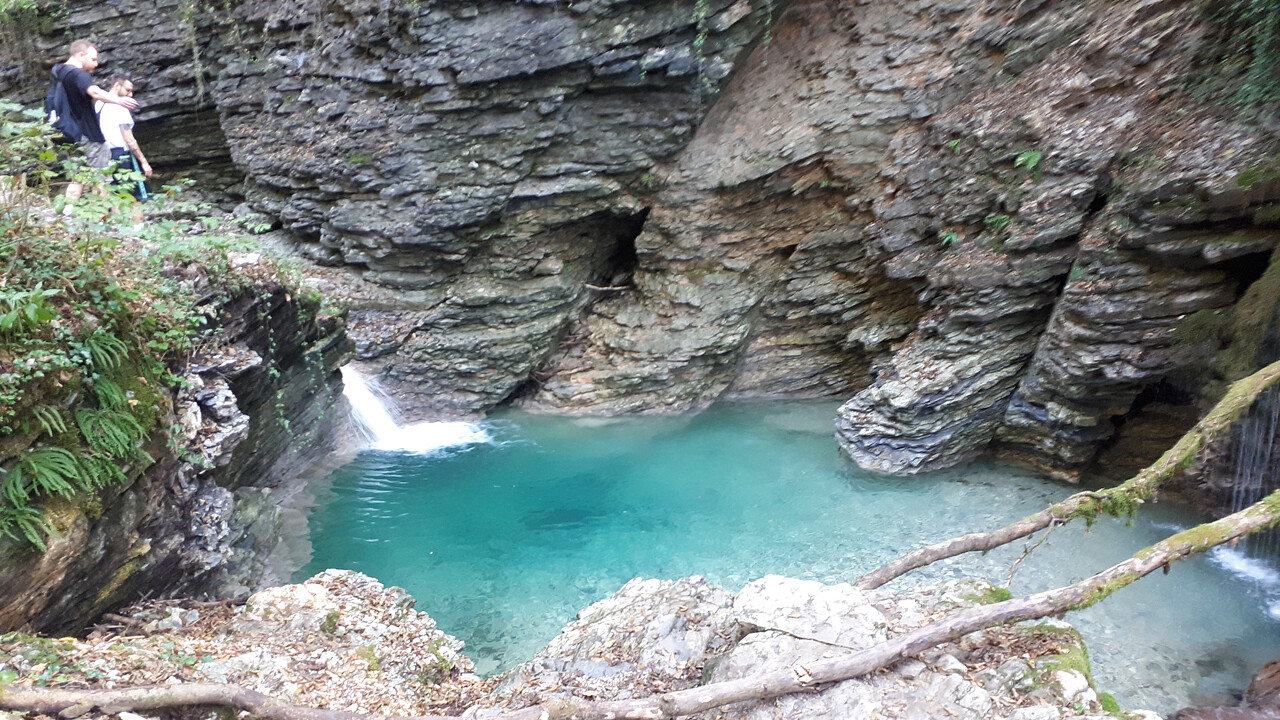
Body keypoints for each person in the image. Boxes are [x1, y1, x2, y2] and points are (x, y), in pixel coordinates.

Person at [48, 40, 137, 215]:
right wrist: (119, 100)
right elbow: (93, 91)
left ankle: (67, 213)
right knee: (101, 178)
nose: (96, 64)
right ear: (81, 56)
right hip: (87, 133)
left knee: (77, 177)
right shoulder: (79, 74)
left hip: (66, 132)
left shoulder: (57, 71)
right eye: (93, 59)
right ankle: (101, 218)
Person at [96, 76, 151, 207]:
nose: (130, 95)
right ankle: (136, 226)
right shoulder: (121, 108)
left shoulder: (99, 104)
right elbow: (129, 138)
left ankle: (113, 224)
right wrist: (144, 162)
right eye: (128, 90)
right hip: (121, 154)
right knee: (134, 194)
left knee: (112, 191)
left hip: (103, 153)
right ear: (116, 86)